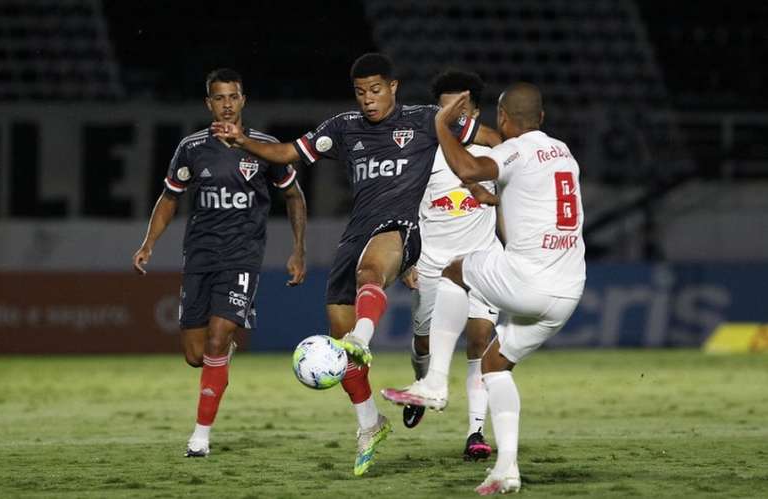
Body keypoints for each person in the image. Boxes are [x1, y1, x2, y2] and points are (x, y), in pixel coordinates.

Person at [212, 53, 500, 476]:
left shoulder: (425, 120)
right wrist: (242, 140)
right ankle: (370, 422)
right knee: (339, 338)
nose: (368, 99)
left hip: (399, 228)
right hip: (355, 235)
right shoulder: (343, 128)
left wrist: (526, 152)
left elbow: (492, 138)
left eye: (376, 90)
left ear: (394, 87)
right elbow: (289, 152)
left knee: (369, 281)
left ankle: (365, 340)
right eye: (361, 92)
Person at [381, 83, 585, 495]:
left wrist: (441, 123)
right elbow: (526, 200)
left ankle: (435, 382)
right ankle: (506, 469)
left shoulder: (514, 150)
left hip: (529, 280)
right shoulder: (563, 153)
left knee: (456, 270)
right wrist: (490, 199)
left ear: (504, 119)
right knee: (494, 367)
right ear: (541, 118)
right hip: (568, 290)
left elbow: (469, 169)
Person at [132, 68, 307, 458]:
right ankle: (219, 357)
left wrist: (298, 248)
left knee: (216, 336)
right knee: (196, 355)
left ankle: (200, 436)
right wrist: (148, 244)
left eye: (233, 97)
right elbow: (169, 198)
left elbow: (293, 196)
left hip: (243, 256)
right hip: (199, 256)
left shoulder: (264, 147)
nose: (227, 105)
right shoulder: (191, 148)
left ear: (243, 100)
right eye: (219, 98)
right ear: (208, 104)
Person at [398, 70, 503, 462]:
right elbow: (406, 208)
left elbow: (509, 202)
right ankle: (423, 381)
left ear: (474, 107)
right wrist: (408, 258)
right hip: (433, 263)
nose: (453, 113)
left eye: (460, 105)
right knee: (424, 342)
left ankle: (476, 431)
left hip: (481, 260)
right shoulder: (423, 154)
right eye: (445, 107)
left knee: (480, 340)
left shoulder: (496, 150)